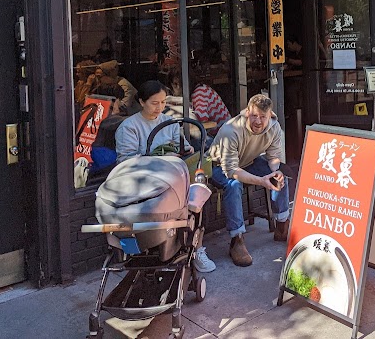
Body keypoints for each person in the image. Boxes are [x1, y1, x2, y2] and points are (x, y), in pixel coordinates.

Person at [115, 80, 216, 273]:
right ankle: (167, 250)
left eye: (163, 102)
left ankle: (196, 248)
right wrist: (158, 158)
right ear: (142, 101)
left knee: (200, 195)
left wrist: (186, 150)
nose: (159, 107)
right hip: (144, 182)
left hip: (173, 179)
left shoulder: (168, 122)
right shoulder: (129, 127)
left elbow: (184, 146)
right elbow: (124, 162)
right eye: (154, 103)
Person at [210, 94, 289, 267]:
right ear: (247, 112)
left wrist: (275, 172)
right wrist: (261, 181)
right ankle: (236, 239)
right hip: (218, 166)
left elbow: (273, 157)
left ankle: (282, 226)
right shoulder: (230, 130)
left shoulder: (274, 127)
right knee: (233, 185)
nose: (258, 121)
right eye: (254, 116)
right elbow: (231, 170)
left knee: (280, 176)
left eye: (263, 117)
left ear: (270, 115)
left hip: (248, 161)